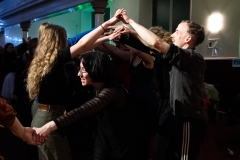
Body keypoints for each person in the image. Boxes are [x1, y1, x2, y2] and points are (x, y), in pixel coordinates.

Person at [26, 9, 124, 160]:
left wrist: (108, 37)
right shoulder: (56, 59)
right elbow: (83, 45)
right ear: (57, 40)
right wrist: (106, 25)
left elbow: (84, 45)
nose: (67, 40)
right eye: (64, 37)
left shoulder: (46, 59)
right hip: (48, 116)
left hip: (45, 114)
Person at [119, 10, 207, 160]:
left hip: (189, 119)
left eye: (177, 32)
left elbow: (156, 43)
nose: (172, 35)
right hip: (177, 117)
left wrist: (131, 22)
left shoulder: (191, 57)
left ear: (188, 38)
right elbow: (152, 48)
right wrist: (132, 34)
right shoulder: (178, 57)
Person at [33, 51, 144, 160]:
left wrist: (47, 127)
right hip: (104, 138)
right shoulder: (97, 87)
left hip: (124, 142)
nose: (79, 74)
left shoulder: (112, 91)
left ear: (95, 69)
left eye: (83, 70)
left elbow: (83, 110)